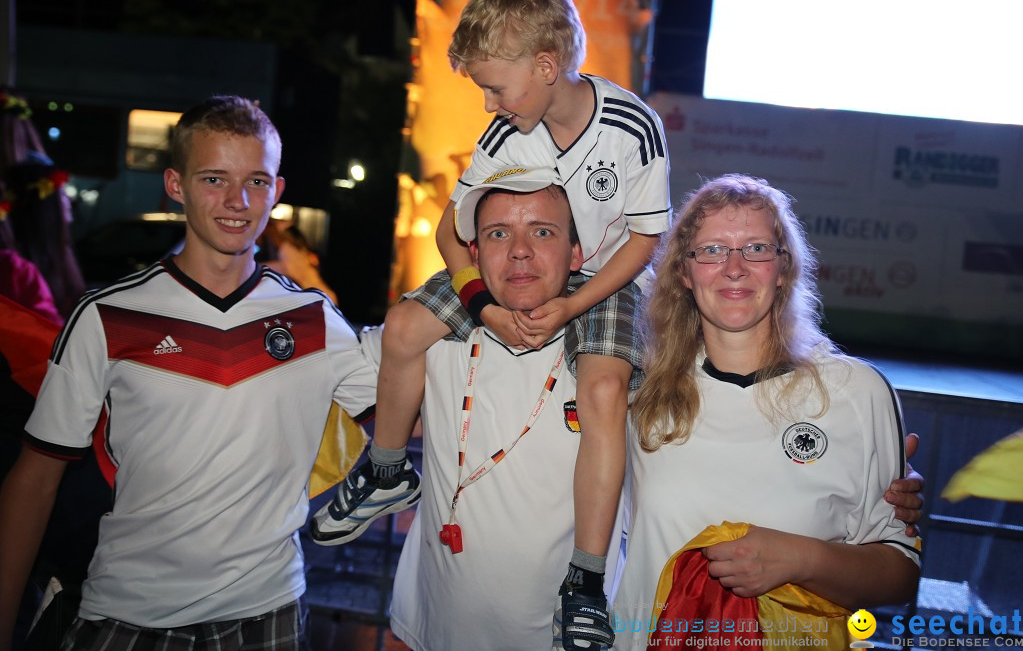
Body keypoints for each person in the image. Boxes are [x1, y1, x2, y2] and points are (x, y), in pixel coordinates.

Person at [317, 0, 672, 649]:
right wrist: (479, 301)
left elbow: (646, 241)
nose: (486, 104)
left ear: (546, 66)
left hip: (603, 276)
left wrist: (572, 305)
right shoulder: (508, 133)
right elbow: (453, 231)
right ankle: (387, 470)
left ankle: (586, 581)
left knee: (601, 390)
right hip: (498, 269)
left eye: (494, 87)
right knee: (402, 327)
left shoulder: (633, 127)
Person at [0, 95, 374, 650]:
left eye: (257, 181)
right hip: (127, 614)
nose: (238, 201)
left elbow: (402, 384)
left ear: (278, 190)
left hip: (266, 616)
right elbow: (35, 478)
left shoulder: (313, 319)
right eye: (214, 179)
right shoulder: (106, 315)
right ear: (175, 184)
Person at [313, 166, 624, 650]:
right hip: (432, 631)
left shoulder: (618, 364)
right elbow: (323, 370)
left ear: (577, 253)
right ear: (473, 256)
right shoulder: (431, 340)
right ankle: (385, 473)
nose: (520, 249)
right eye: (499, 233)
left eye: (542, 232)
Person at [611, 175, 922, 650]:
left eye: (756, 248)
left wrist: (802, 558)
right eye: (712, 250)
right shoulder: (640, 393)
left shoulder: (857, 393)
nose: (734, 268)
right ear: (683, 273)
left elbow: (899, 576)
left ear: (784, 269)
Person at [5, 151, 86, 319]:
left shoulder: (56, 254)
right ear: (45, 205)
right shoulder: (17, 268)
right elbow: (48, 334)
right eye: (61, 193)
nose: (68, 201)